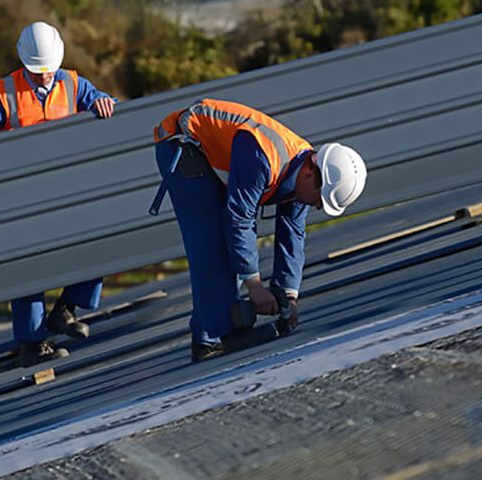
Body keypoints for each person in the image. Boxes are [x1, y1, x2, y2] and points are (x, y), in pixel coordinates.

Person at [152, 98, 367, 361]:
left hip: (206, 149)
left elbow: (293, 233)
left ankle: (217, 325)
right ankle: (212, 337)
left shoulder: (303, 173)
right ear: (312, 173)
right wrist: (254, 285)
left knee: (228, 241)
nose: (318, 207)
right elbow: (239, 218)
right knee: (211, 239)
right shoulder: (264, 157)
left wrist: (289, 294)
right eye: (319, 199)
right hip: (181, 143)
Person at [0, 21, 116, 367]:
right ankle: (32, 343)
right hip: (23, 196)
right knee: (29, 267)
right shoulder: (4, 92)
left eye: (49, 71)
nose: (44, 77)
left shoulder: (74, 83)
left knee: (99, 241)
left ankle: (65, 309)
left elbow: (103, 102)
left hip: (68, 189)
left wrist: (104, 101)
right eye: (37, 72)